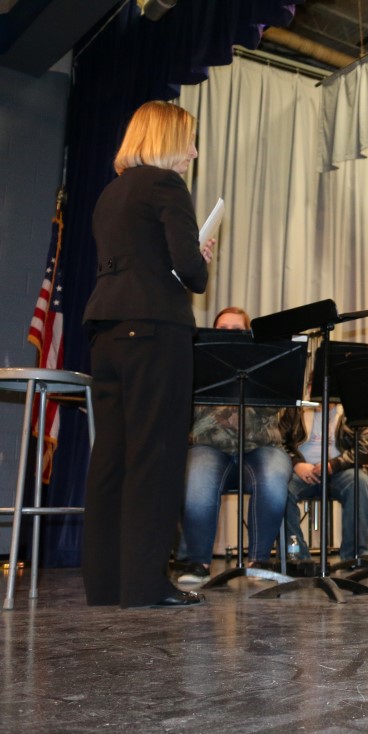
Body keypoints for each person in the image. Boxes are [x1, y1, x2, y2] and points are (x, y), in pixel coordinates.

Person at [82, 101, 213, 608]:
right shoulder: (165, 185)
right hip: (155, 330)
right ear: (167, 139)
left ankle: (106, 584)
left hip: (106, 331)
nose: (193, 152)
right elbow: (189, 272)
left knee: (111, 457)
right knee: (155, 457)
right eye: (189, 141)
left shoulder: (109, 194)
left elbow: (138, 259)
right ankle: (144, 585)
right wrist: (199, 257)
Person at [174, 308, 294, 585]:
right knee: (197, 475)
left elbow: (275, 409)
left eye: (237, 329)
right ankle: (199, 563)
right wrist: (227, 416)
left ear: (248, 333)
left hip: (262, 448)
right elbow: (189, 412)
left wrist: (226, 415)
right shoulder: (196, 358)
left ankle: (259, 561)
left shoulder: (266, 359)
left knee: (274, 474)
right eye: (223, 328)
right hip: (208, 448)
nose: (229, 333)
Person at [282, 401, 368, 564]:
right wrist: (296, 463)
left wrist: (334, 465)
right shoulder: (295, 410)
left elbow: (365, 447)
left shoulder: (351, 409)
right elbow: (278, 442)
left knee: (359, 482)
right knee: (280, 490)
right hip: (301, 473)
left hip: (340, 471)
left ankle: (355, 555)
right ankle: (295, 555)